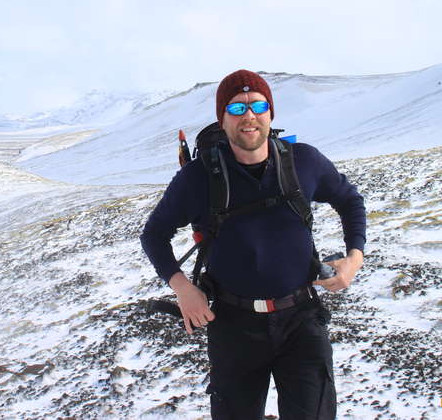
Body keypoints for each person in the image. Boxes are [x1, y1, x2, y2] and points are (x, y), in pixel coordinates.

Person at [140, 69, 366, 419]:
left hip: (302, 320)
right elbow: (154, 234)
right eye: (236, 108)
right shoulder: (198, 177)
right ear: (222, 119)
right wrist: (183, 288)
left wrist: (354, 258)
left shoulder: (303, 161)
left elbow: (349, 200)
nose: (249, 115)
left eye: (258, 106)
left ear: (270, 113)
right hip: (234, 327)